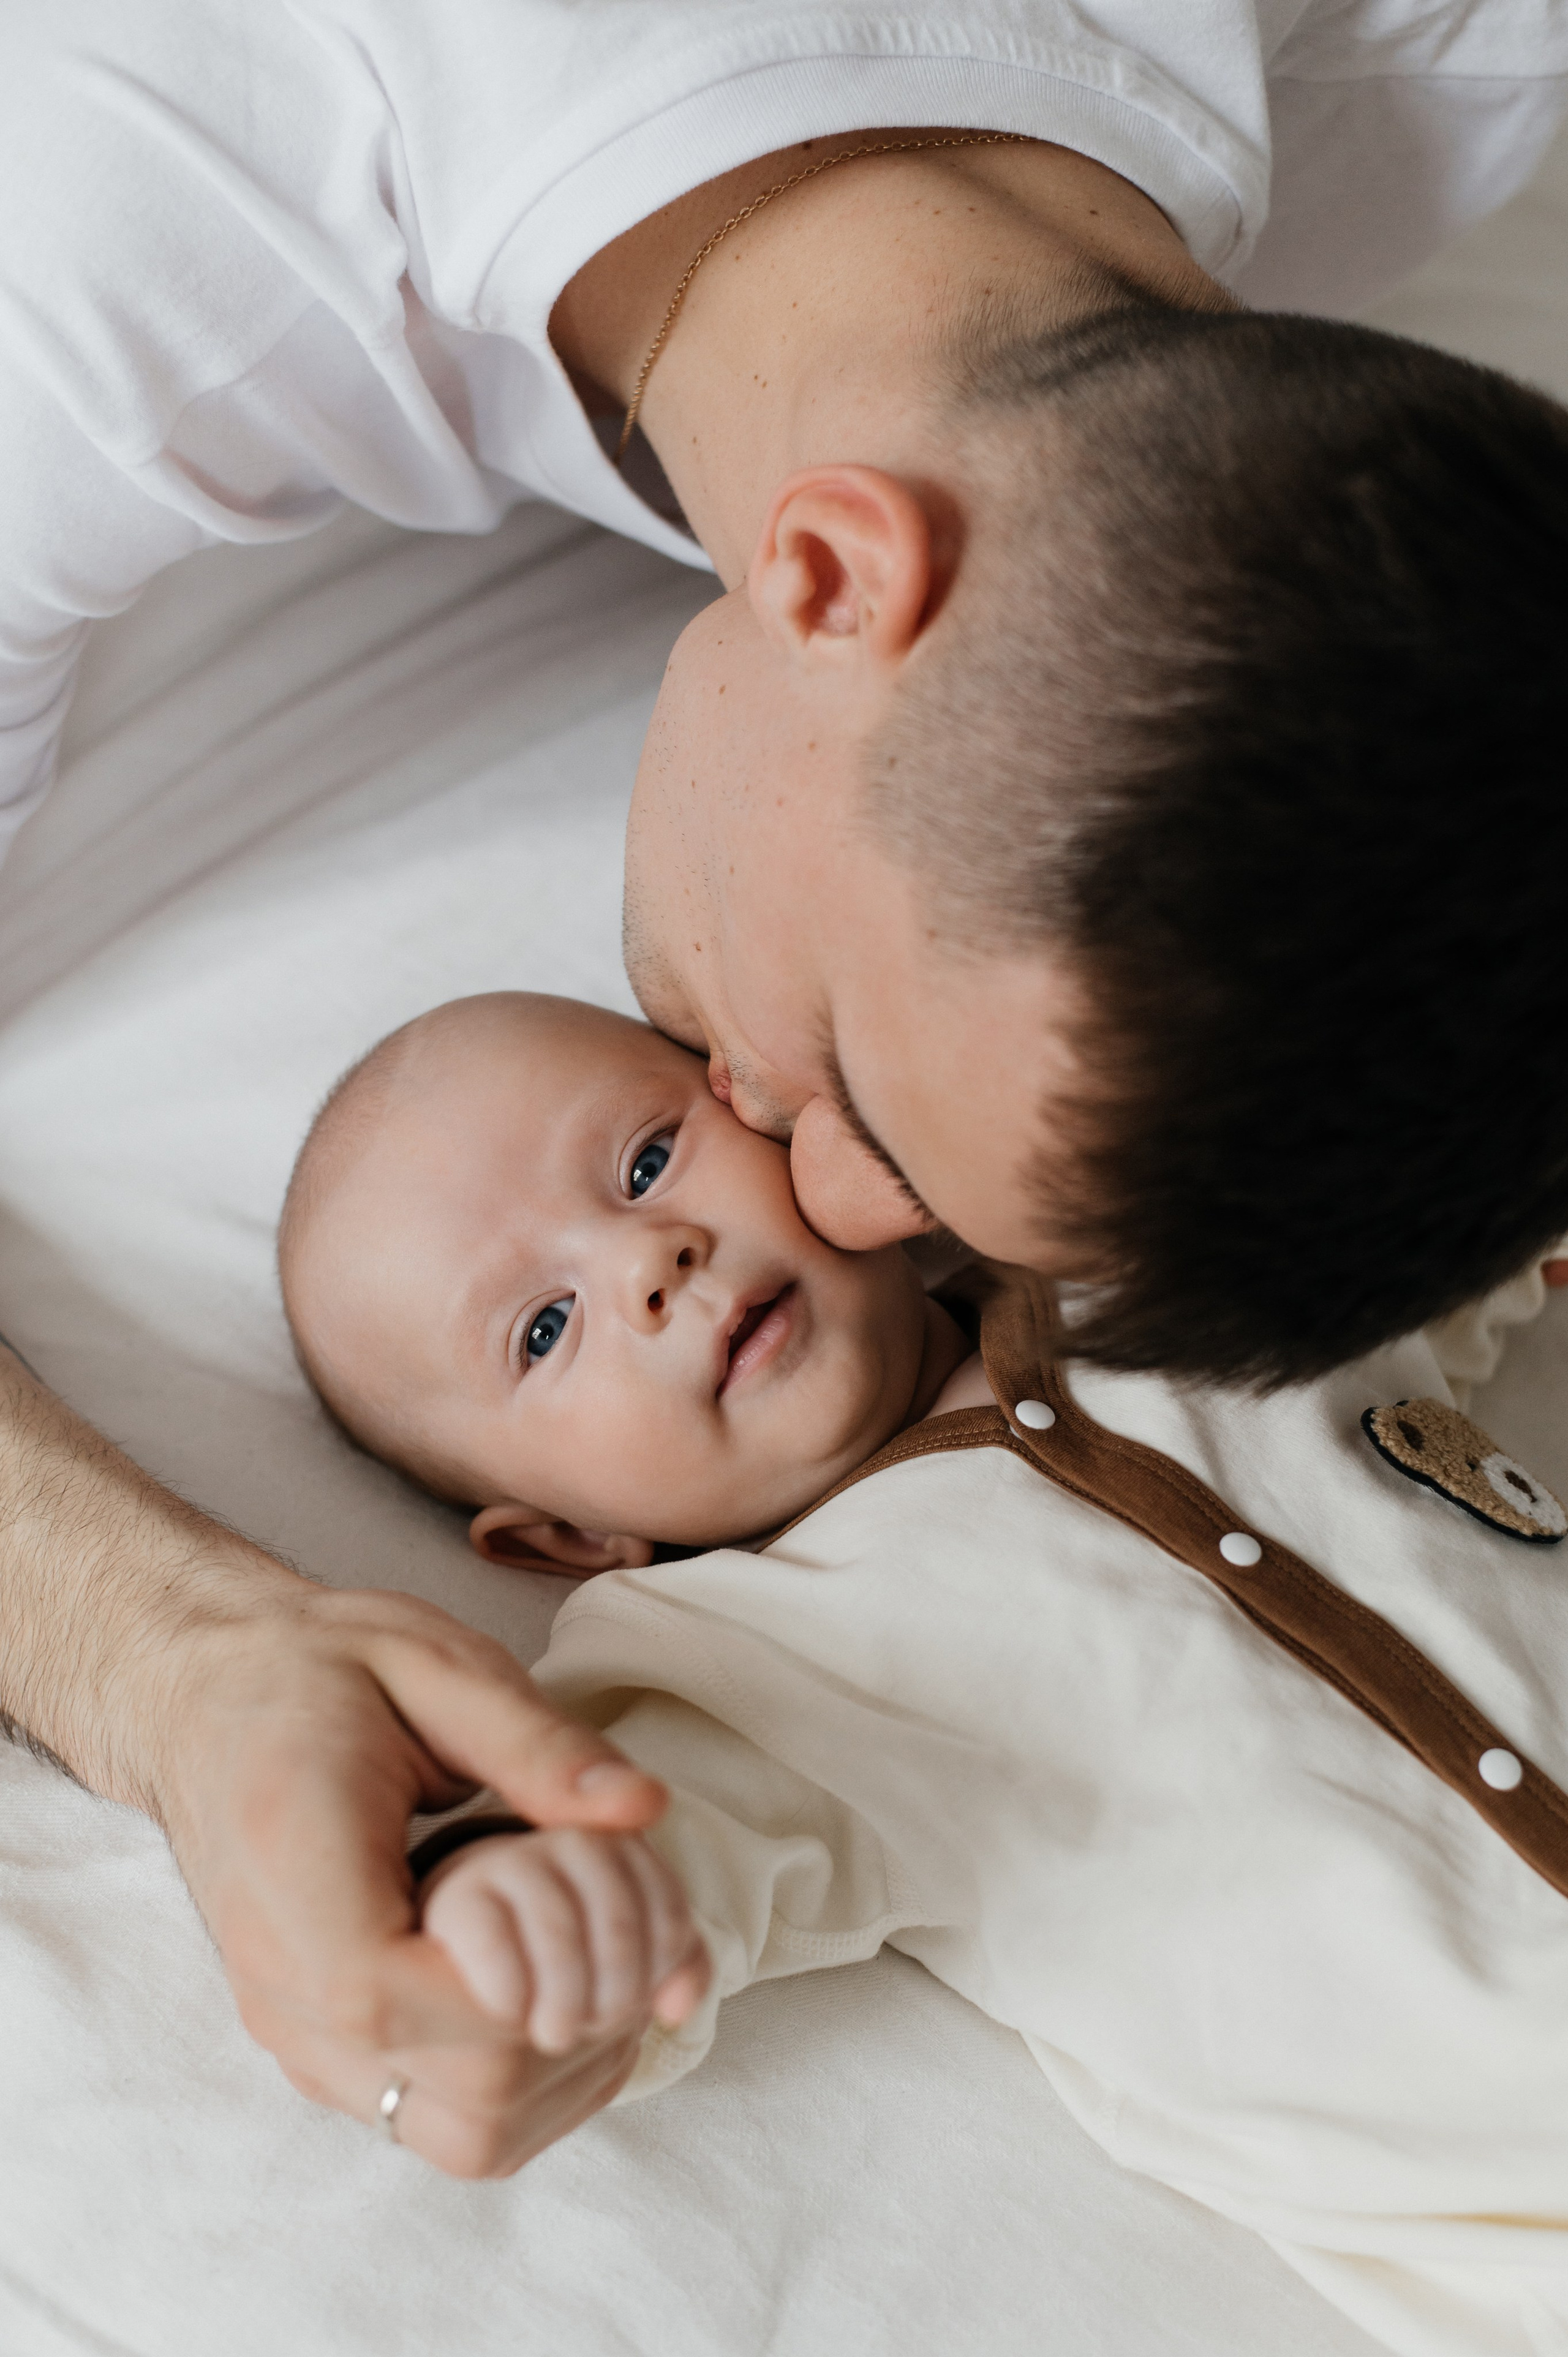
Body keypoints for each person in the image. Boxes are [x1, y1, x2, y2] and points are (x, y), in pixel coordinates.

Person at [2, 0, 1568, 2176]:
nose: (816, 1189)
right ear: (826, 575)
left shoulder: (1469, 62)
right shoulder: (108, 240)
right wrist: (171, 1662)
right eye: (852, 1091)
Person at [280, 989, 1568, 2353]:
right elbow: (642, 1844)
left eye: (647, 1158)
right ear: (564, 1536)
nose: (647, 1259)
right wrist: (524, 1904)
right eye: (543, 1328)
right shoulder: (736, 1656)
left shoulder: (1145, 1262)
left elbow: (1429, 1224)